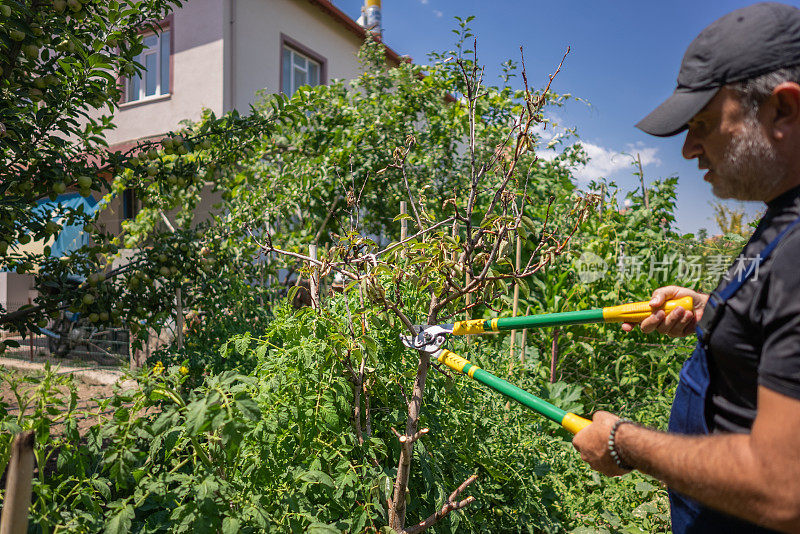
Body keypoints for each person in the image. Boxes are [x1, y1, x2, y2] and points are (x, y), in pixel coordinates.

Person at [571, 3, 800, 533]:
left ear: (783, 111)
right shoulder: (784, 216)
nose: (690, 149)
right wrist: (717, 312)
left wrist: (621, 442)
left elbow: (784, 487)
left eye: (702, 124)